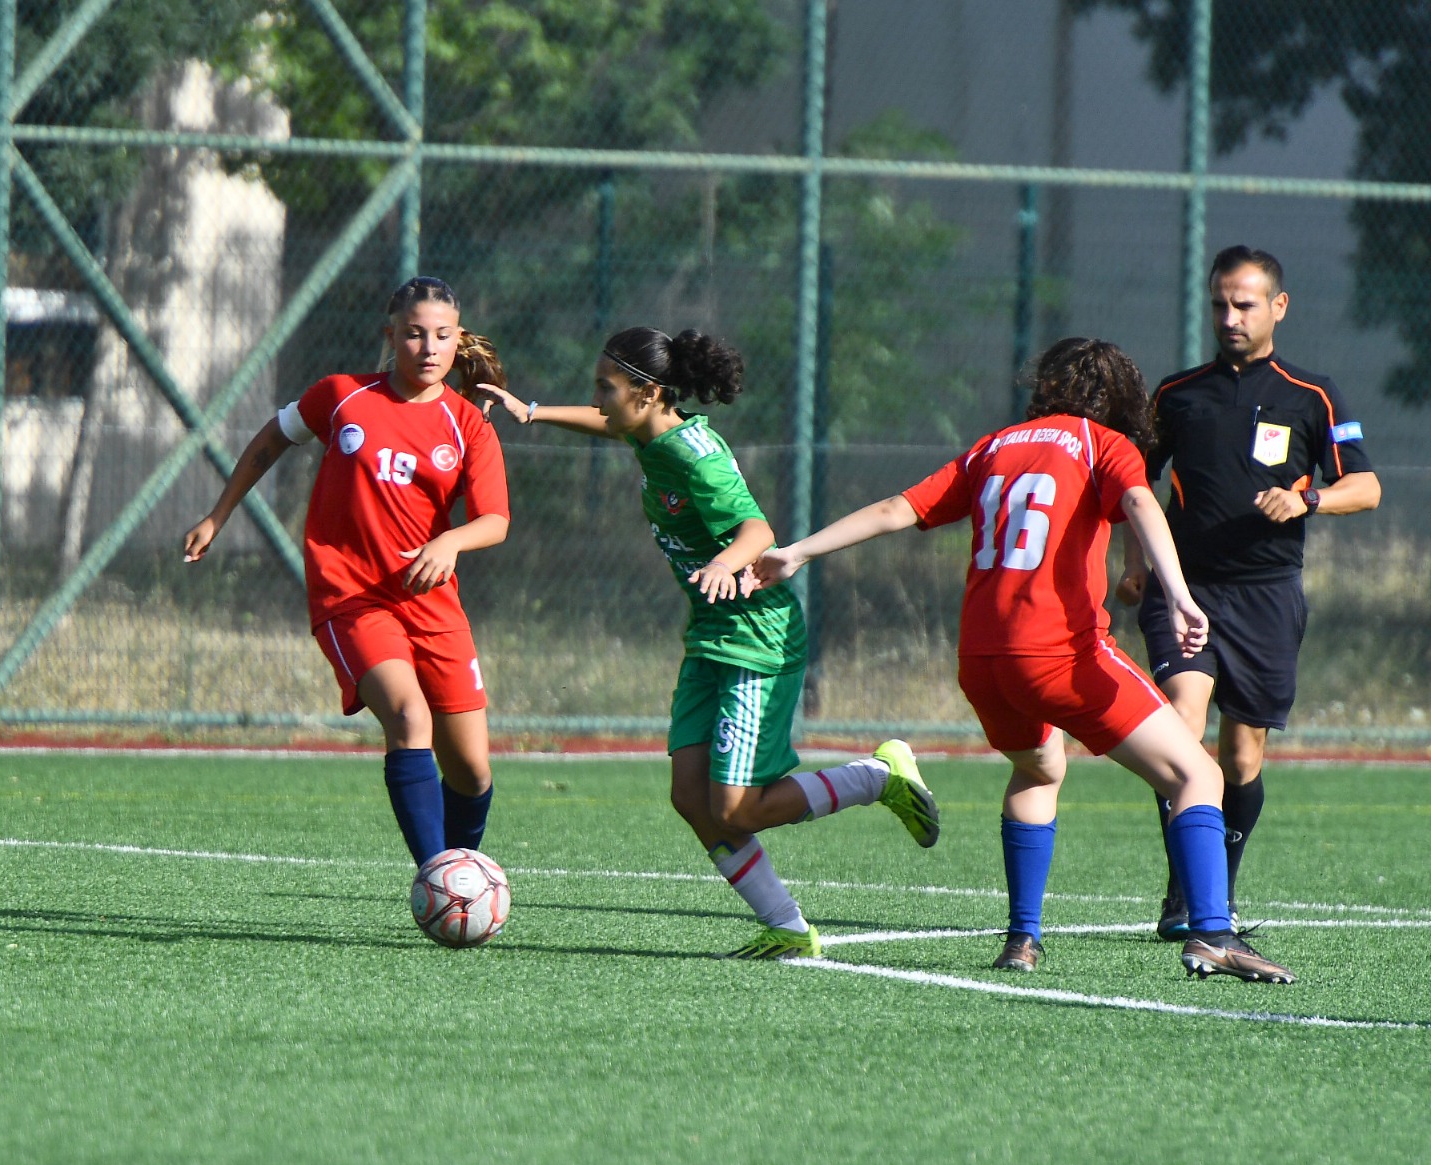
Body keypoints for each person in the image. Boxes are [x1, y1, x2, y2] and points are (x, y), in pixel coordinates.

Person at [756, 337, 1295, 983]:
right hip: (1058, 653)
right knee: (1198, 777)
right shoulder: (1105, 444)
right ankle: (1212, 932)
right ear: (1119, 397)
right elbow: (1142, 503)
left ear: (1046, 386)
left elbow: (898, 508)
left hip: (982, 659)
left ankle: (1022, 940)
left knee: (1040, 769)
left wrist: (799, 551)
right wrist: (1178, 595)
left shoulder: (996, 445)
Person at [475, 327, 940, 960]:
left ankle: (878, 776)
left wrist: (726, 563)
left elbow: (757, 527)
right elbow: (610, 425)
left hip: (756, 639)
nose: (598, 398)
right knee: (691, 798)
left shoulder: (694, 456)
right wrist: (532, 411)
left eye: (604, 388)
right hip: (711, 636)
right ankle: (785, 927)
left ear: (648, 393)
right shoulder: (647, 430)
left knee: (736, 808)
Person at [184, 276, 511, 868]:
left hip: (432, 603)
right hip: (352, 596)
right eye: (413, 334)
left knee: (470, 769)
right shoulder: (341, 396)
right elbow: (270, 441)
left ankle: (462, 882)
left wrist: (451, 542)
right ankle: (438, 876)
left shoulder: (468, 425)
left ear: (457, 339)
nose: (429, 348)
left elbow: (494, 521)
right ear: (390, 336)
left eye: (441, 336)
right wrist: (218, 514)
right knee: (409, 718)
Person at [1116, 246, 1381, 939]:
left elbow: (1368, 485)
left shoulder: (1313, 395)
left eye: (1244, 304)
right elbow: (1133, 487)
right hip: (1187, 589)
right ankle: (1185, 890)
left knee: (1241, 758)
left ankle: (1219, 887)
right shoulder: (1177, 395)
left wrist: (1309, 501)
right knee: (1179, 723)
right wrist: (1135, 561)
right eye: (1218, 305)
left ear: (1278, 307)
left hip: (1267, 595)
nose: (1229, 317)